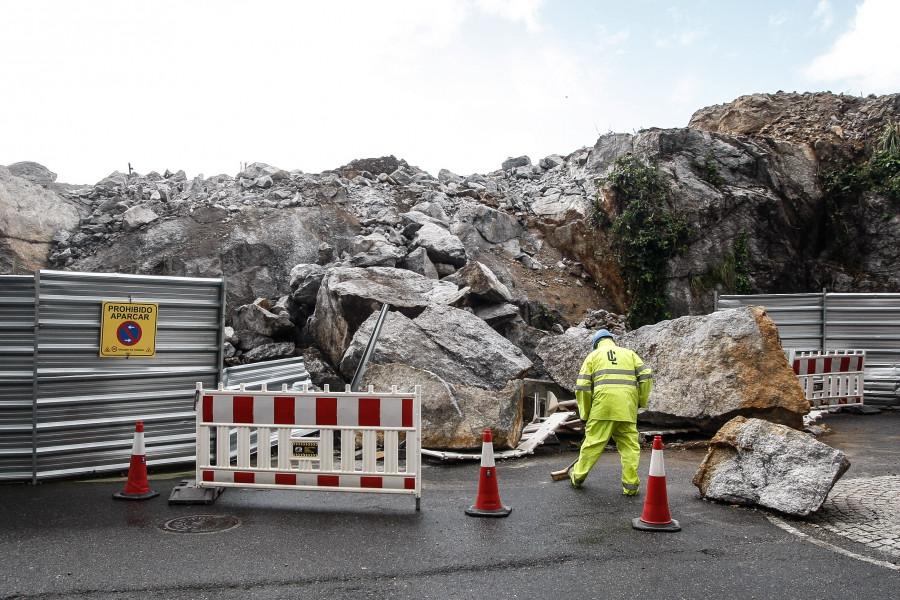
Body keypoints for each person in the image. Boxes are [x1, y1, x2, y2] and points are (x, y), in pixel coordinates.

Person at [571, 329, 652, 494]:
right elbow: (646, 376)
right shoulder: (629, 354)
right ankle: (631, 486)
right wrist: (640, 401)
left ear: (596, 344)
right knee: (629, 446)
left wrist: (584, 413)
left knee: (593, 444)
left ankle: (578, 477)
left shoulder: (593, 356)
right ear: (612, 340)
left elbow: (582, 388)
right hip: (626, 408)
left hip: (603, 408)